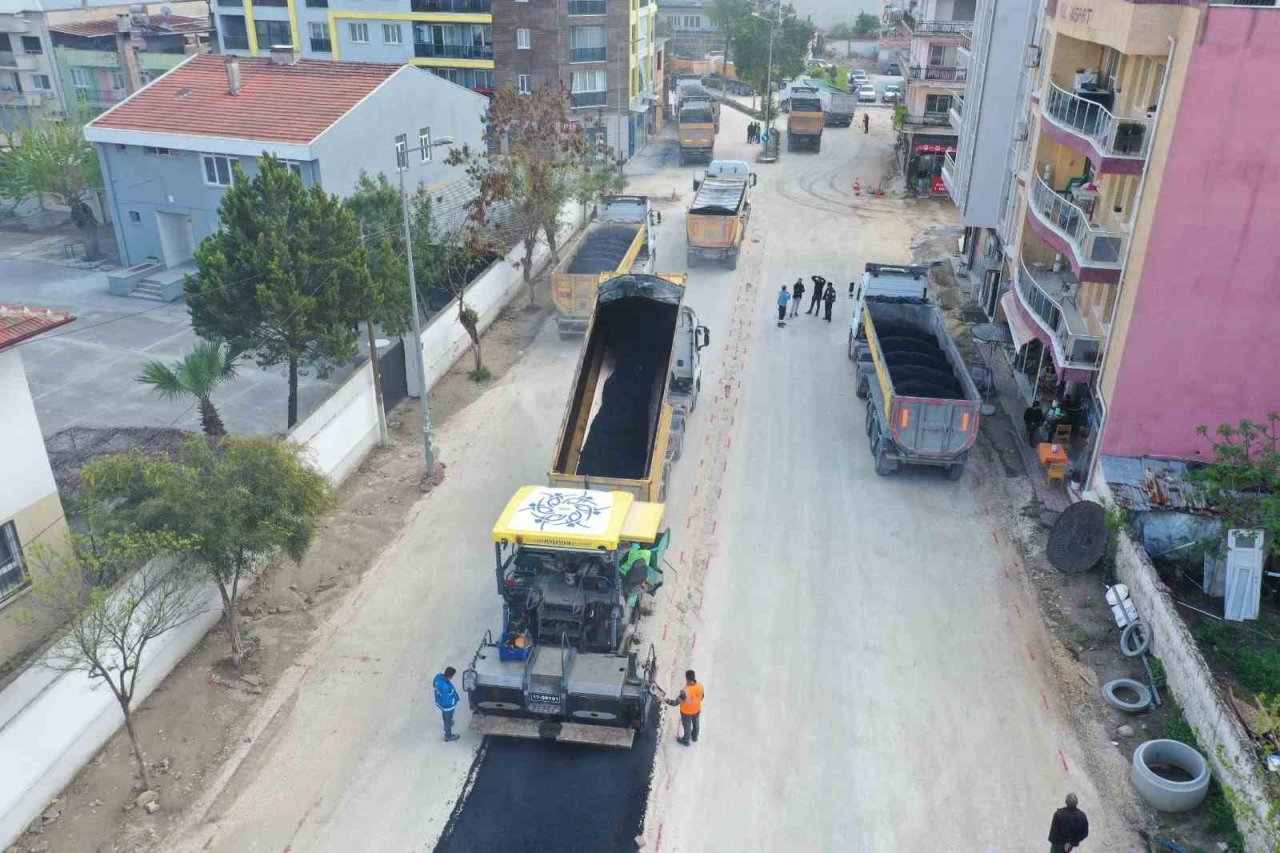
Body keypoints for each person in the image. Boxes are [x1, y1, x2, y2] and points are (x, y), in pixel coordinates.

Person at [665, 669, 705, 746]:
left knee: (687, 728)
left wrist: (664, 700)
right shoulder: (700, 686)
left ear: (687, 679)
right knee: (696, 724)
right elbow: (702, 697)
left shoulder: (685, 692)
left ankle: (686, 741)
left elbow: (675, 703)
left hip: (686, 713)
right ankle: (694, 737)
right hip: (697, 710)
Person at [433, 667, 461, 742]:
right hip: (448, 707)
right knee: (448, 717)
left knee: (445, 715)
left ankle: (446, 725)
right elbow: (446, 701)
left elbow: (434, 684)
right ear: (451, 676)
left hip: (440, 703)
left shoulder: (438, 677)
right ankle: (448, 735)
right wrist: (453, 702)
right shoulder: (445, 687)